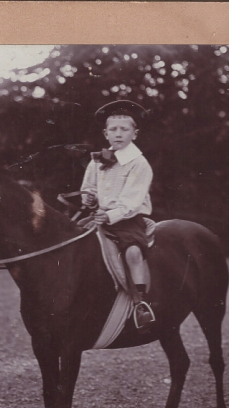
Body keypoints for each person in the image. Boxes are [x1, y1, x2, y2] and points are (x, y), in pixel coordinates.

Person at [79, 100, 156, 331]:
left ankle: (140, 303)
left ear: (135, 134)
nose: (118, 134)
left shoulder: (139, 164)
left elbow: (131, 201)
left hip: (127, 220)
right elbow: (89, 187)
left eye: (125, 129)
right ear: (105, 133)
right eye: (113, 129)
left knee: (132, 252)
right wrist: (89, 198)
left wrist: (110, 215)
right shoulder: (97, 160)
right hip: (99, 216)